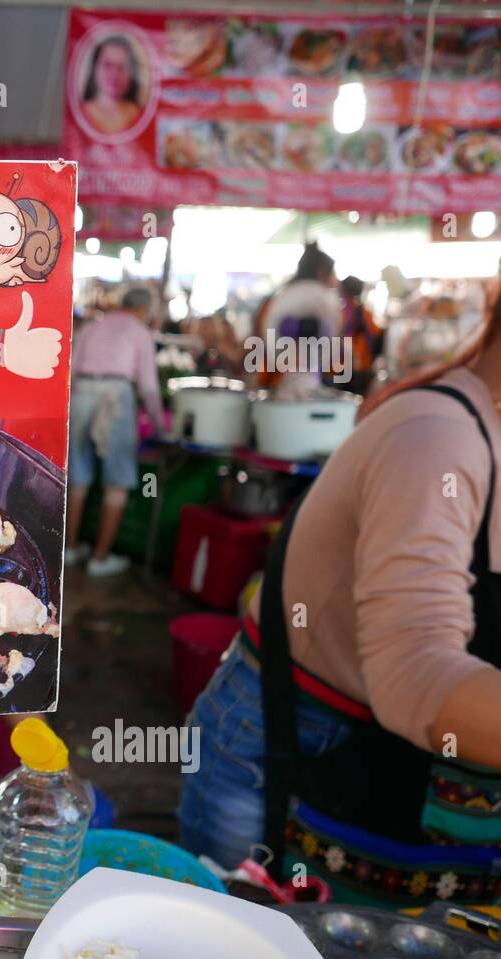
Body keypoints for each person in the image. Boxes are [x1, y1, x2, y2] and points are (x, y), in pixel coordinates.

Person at [178, 293, 501, 909]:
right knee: (240, 937)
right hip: (292, 747)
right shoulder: (434, 438)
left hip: (382, 773)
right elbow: (416, 674)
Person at [64, 288, 163, 578]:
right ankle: (100, 558)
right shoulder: (140, 332)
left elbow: (70, 368)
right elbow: (148, 386)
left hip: (81, 393)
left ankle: (68, 550)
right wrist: (160, 426)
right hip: (116, 396)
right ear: (144, 308)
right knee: (116, 480)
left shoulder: (92, 326)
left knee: (78, 477)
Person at [255, 242, 343, 393]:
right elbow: (336, 328)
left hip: (278, 372)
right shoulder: (321, 294)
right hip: (302, 373)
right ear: (322, 272)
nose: (336, 280)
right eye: (333, 274)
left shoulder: (284, 293)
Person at [81, 35, 144, 135]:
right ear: (94, 68)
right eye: (107, 65)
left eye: (122, 67)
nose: (114, 74)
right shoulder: (80, 114)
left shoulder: (142, 116)